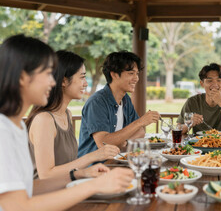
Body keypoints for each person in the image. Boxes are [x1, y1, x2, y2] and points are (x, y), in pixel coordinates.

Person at [0, 35, 133, 211]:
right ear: (23, 77)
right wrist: (93, 185)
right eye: (47, 74)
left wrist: (80, 175)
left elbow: (30, 188)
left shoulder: (17, 126)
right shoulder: (4, 131)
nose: (53, 81)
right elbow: (18, 206)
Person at [26, 51, 120, 179]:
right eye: (82, 77)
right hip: (45, 196)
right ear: (64, 81)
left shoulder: (66, 114)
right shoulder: (44, 120)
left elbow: (68, 166)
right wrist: (93, 156)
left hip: (66, 188)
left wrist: (87, 171)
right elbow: (46, 175)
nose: (86, 83)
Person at [78, 51, 160, 158]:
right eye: (131, 73)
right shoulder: (97, 102)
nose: (136, 78)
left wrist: (123, 141)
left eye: (137, 73)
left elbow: (140, 132)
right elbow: (103, 143)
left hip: (116, 161)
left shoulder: (125, 99)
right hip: (95, 167)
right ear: (114, 74)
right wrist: (140, 121)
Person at [177, 63, 221, 135]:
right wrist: (189, 123)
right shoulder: (192, 102)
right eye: (210, 81)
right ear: (202, 83)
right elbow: (177, 129)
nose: (215, 84)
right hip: (198, 144)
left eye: (219, 80)